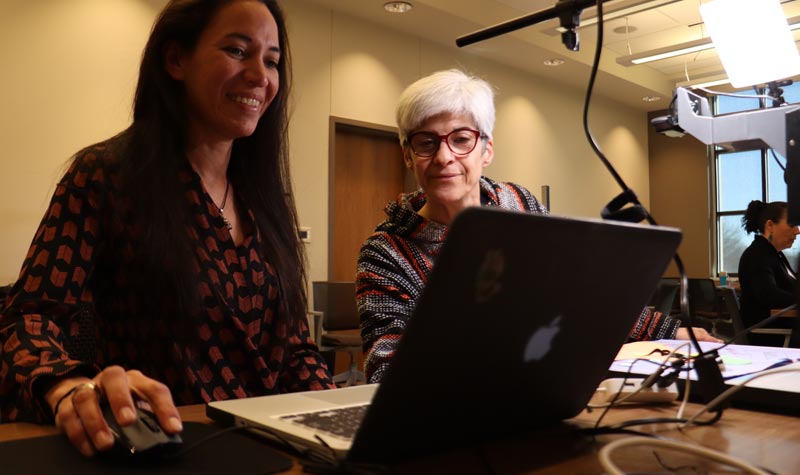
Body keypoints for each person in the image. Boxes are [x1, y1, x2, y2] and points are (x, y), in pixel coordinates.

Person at [0, 0, 334, 457]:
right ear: (176, 59)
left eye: (272, 61)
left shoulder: (263, 198)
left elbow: (295, 349)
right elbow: (28, 319)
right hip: (169, 446)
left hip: (276, 449)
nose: (261, 75)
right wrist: (68, 387)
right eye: (238, 51)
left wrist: (338, 419)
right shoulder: (106, 174)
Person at [356, 69, 718, 384]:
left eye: (462, 139)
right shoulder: (386, 251)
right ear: (407, 155)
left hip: (548, 391)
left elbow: (581, 292)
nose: (444, 156)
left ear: (487, 149)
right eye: (426, 142)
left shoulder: (518, 204)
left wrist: (671, 333)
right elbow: (386, 372)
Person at [738, 200, 799, 345]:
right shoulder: (757, 255)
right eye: (792, 224)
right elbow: (769, 294)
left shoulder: (774, 254)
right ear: (770, 225)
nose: (797, 230)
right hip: (770, 334)